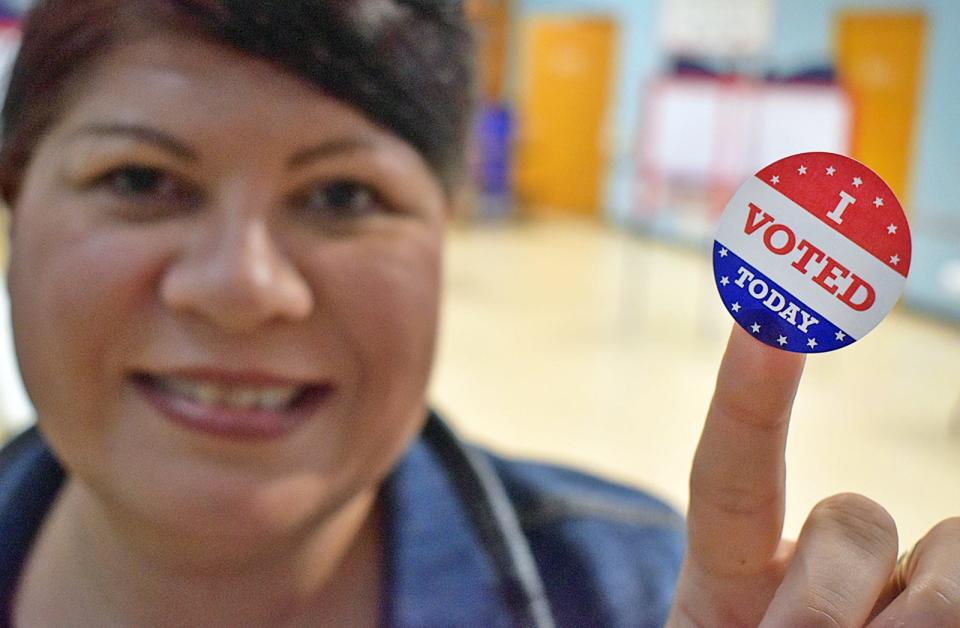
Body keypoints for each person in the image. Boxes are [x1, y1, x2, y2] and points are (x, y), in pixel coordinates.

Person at [0, 1, 956, 626]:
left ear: (445, 232)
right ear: (15, 199)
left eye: (341, 197)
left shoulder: (636, 596)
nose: (244, 287)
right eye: (140, 178)